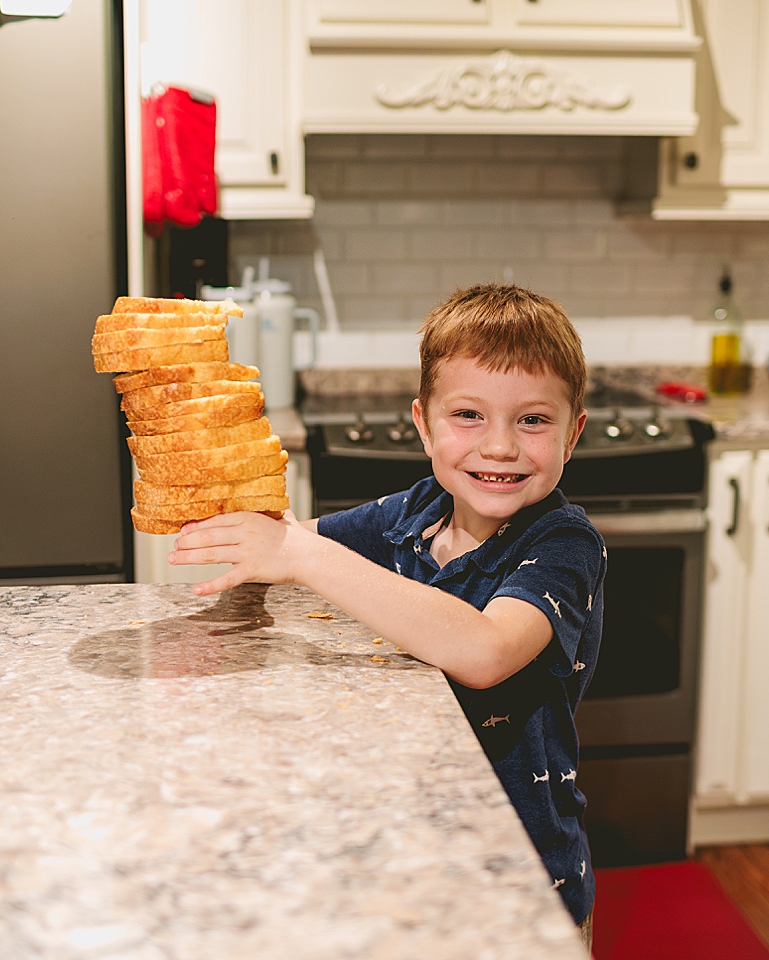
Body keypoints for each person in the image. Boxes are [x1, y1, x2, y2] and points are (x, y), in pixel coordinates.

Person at [169, 284, 605, 936]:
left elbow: (485, 651)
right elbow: (298, 540)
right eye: (468, 416)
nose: (499, 447)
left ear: (572, 434)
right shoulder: (414, 513)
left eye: (532, 421)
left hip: (522, 882)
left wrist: (300, 553)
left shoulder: (563, 543)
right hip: (407, 859)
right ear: (423, 424)